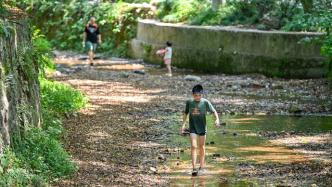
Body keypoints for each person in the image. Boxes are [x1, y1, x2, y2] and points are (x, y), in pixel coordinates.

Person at [181, 84, 220, 176]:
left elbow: (214, 111)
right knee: (194, 146)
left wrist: (217, 119)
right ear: (192, 95)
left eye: (199, 95)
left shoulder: (205, 102)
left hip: (202, 127)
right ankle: (194, 168)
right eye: (195, 95)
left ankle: (202, 167)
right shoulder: (189, 102)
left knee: (202, 147)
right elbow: (185, 113)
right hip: (193, 127)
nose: (197, 97)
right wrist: (183, 125)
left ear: (202, 94)